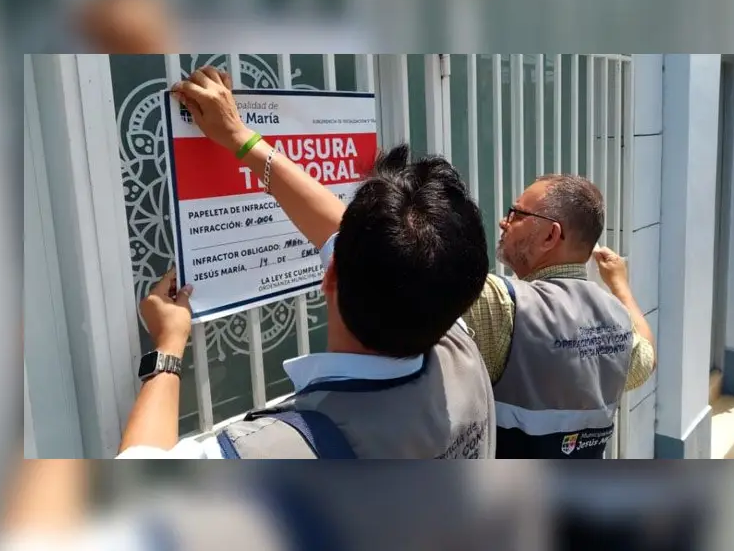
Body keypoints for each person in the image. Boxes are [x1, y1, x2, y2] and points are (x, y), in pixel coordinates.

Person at [117, 66, 494, 459]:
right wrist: (239, 138)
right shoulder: (454, 342)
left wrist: (168, 346)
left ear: (329, 273)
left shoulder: (281, 450)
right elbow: (357, 236)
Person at [462, 174, 656, 458]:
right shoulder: (617, 318)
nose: (505, 222)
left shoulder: (503, 304)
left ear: (551, 235)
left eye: (516, 214)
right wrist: (620, 286)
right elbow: (648, 360)